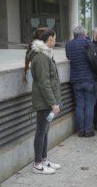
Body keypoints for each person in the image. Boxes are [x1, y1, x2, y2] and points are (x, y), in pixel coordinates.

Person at [26, 27, 61, 174]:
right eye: (54, 38)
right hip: (44, 101)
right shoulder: (41, 56)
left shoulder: (45, 54)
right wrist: (53, 103)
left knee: (45, 131)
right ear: (49, 39)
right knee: (41, 132)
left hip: (48, 100)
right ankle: (37, 164)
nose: (55, 40)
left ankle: (44, 159)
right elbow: (43, 82)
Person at [66, 26, 97, 137]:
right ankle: (88, 130)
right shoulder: (87, 43)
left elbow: (68, 57)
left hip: (75, 79)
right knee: (89, 105)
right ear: (84, 33)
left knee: (79, 105)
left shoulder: (68, 44)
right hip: (88, 79)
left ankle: (80, 130)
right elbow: (94, 60)